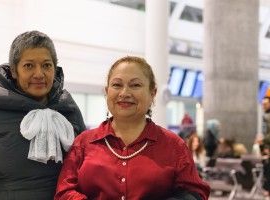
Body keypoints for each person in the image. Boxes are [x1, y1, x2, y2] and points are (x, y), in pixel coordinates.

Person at [0, 30, 86, 200]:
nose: (39, 74)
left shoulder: (68, 109)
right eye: (29, 65)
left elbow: (86, 170)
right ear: (14, 70)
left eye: (46, 65)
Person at [55, 56, 210, 200]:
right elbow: (64, 191)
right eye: (116, 85)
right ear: (106, 91)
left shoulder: (174, 146)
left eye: (135, 85)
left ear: (152, 93)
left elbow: (195, 192)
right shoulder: (83, 143)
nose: (125, 93)